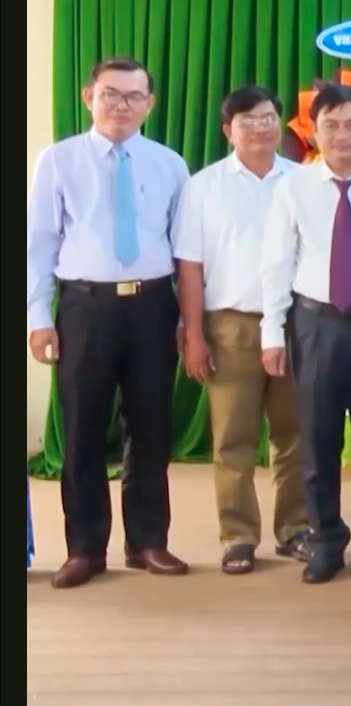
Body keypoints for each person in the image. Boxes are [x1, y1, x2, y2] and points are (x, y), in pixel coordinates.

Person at [26, 56, 191, 589]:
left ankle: (148, 542)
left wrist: (187, 320)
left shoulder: (170, 164)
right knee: (82, 429)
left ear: (150, 104)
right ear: (88, 97)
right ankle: (85, 549)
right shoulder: (59, 160)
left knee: (151, 428)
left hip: (152, 306)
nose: (122, 105)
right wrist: (38, 317)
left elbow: (185, 249)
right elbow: (38, 245)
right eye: (111, 94)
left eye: (134, 96)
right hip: (84, 308)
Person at [260, 83, 351, 584]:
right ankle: (325, 540)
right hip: (314, 325)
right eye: (331, 125)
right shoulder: (293, 187)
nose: (342, 135)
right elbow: (277, 264)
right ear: (314, 131)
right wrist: (272, 333)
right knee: (317, 439)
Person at [173, 84, 309, 575]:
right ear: (228, 130)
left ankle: (295, 529)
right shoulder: (203, 187)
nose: (261, 127)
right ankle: (237, 536)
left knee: (295, 434)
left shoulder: (302, 181)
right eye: (248, 120)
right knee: (232, 438)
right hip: (230, 325)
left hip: (295, 323)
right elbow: (190, 267)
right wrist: (194, 334)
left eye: (269, 117)